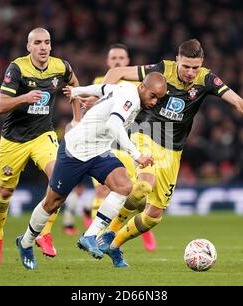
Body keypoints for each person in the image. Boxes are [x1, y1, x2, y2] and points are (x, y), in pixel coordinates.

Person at [95, 38, 243, 267]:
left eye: (194, 67)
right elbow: (116, 72)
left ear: (201, 64)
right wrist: (104, 103)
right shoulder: (161, 70)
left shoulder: (206, 79)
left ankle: (115, 245)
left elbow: (236, 101)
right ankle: (107, 234)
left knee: (153, 215)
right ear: (177, 59)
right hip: (147, 131)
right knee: (145, 184)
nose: (189, 72)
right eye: (185, 66)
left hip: (174, 149)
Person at [15, 72, 167, 270]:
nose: (155, 101)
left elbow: (103, 88)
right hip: (75, 151)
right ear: (142, 87)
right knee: (53, 202)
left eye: (159, 98)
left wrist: (78, 91)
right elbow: (114, 124)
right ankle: (25, 243)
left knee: (123, 186)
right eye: (153, 96)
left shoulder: (126, 89)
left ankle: (89, 236)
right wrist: (136, 155)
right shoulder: (130, 96)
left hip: (99, 151)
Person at [0, 27, 82, 265]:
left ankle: (44, 232)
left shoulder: (61, 66)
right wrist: (23, 98)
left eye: (47, 42)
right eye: (37, 42)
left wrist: (77, 118)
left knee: (61, 180)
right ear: (28, 46)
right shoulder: (17, 68)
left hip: (43, 135)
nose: (43, 47)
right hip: (14, 139)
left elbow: (75, 86)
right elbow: (0, 106)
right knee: (5, 191)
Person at [89, 43, 157, 252]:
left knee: (137, 195)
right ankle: (97, 237)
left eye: (121, 58)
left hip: (130, 144)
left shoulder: (141, 85)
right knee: (102, 189)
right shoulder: (100, 83)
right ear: (108, 63)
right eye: (114, 59)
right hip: (105, 144)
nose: (118, 61)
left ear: (127, 62)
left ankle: (139, 229)